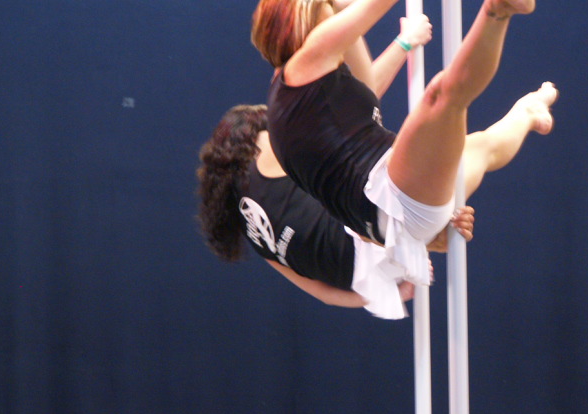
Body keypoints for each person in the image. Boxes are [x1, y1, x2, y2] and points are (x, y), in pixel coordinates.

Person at [250, 0, 554, 294]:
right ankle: (497, 8)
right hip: (393, 196)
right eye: (325, 16)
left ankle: (528, 111)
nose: (336, 20)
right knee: (440, 97)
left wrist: (357, 15)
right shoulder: (306, 62)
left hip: (397, 215)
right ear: (304, 31)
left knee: (483, 147)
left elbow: (364, 69)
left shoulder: (298, 101)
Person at [197, 87, 551, 317]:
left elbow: (322, 293)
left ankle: (426, 235)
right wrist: (403, 43)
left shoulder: (253, 233)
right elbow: (350, 111)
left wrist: (388, 293)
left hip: (371, 269)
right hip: (368, 227)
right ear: (253, 134)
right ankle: (527, 113)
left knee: (465, 155)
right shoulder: (267, 150)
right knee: (478, 146)